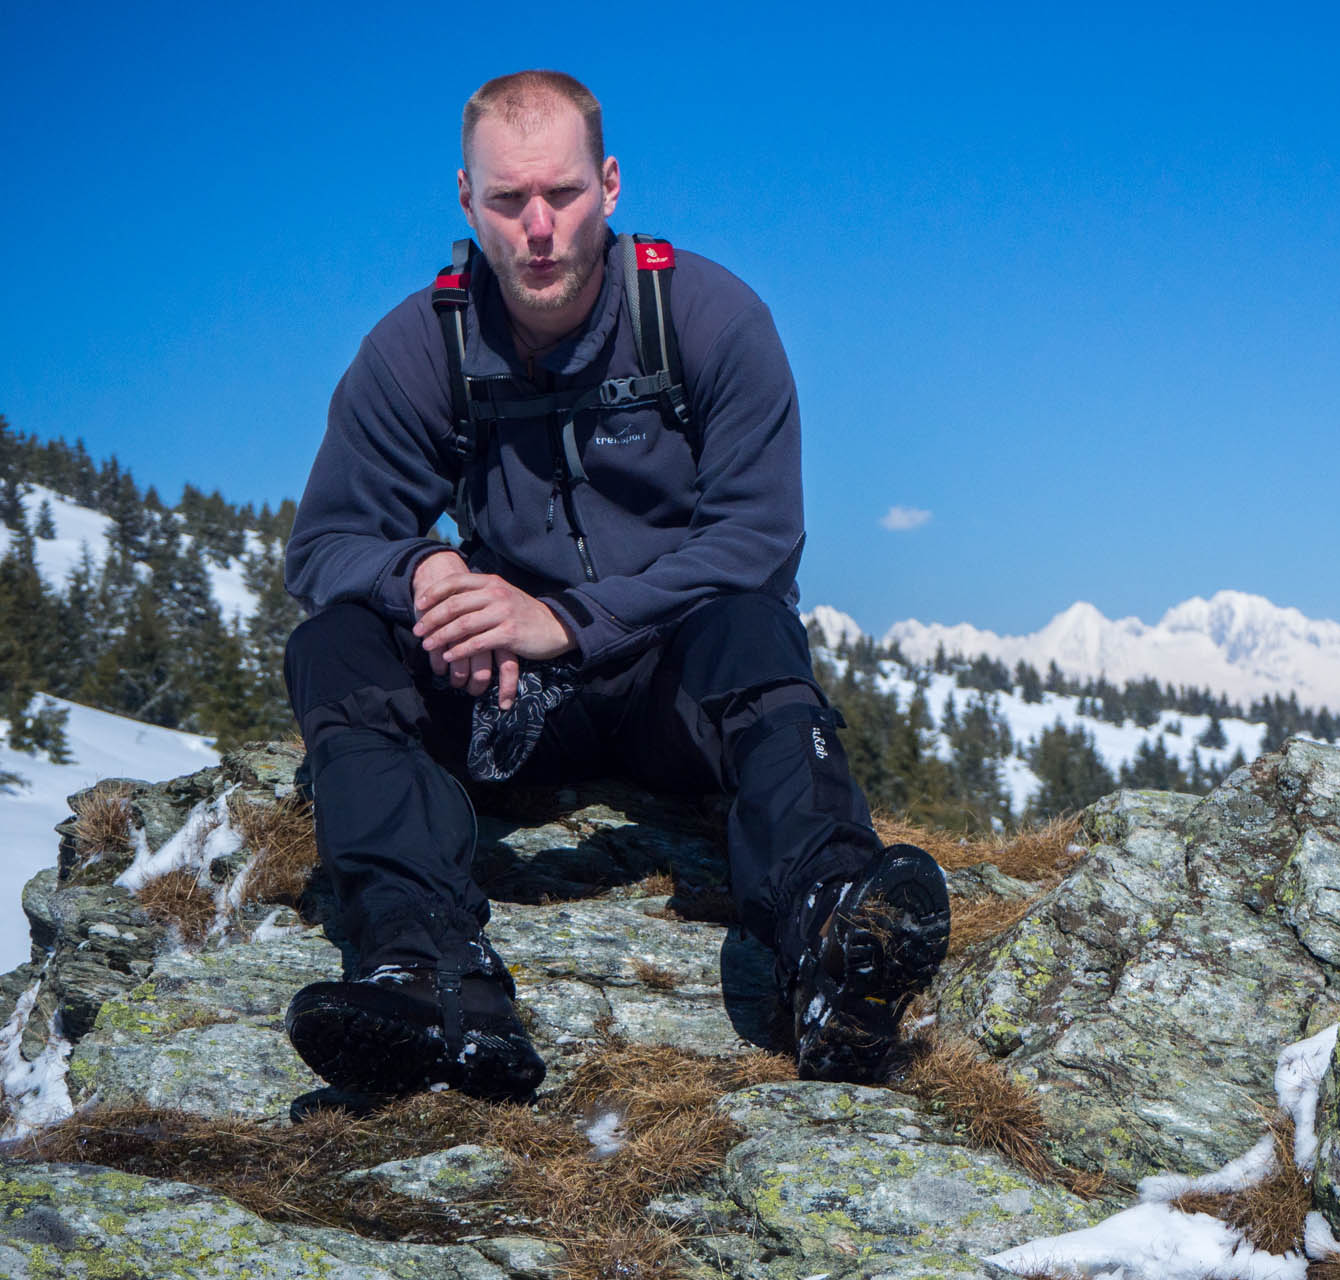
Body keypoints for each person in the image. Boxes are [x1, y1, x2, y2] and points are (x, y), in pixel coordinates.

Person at [280, 70, 948, 1102]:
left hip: (672, 690)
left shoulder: (709, 319)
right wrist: (425, 571)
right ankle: (421, 970)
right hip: (508, 703)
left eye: (563, 193)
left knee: (752, 627)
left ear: (612, 185)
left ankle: (830, 928)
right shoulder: (423, 348)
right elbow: (323, 542)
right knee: (335, 643)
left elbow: (759, 539)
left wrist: (566, 619)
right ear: (467, 201)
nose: (538, 227)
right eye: (509, 201)